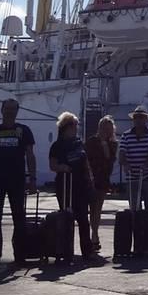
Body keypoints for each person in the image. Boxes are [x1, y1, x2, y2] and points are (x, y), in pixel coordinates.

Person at [0, 98, 36, 267]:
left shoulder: (24, 131)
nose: (10, 111)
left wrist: (32, 179)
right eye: (7, 108)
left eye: (13, 109)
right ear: (1, 110)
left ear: (17, 111)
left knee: (19, 218)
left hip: (17, 179)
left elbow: (30, 156)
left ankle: (20, 254)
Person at [47, 112, 97, 263]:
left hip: (80, 185)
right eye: (74, 125)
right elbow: (52, 165)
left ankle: (87, 252)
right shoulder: (57, 146)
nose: (76, 128)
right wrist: (63, 167)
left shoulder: (78, 143)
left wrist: (90, 179)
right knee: (66, 218)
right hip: (65, 185)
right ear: (66, 127)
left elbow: (85, 162)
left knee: (83, 219)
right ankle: (65, 251)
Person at [119, 107, 148, 253]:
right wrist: (125, 164)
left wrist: (144, 165)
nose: (138, 120)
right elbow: (122, 153)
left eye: (141, 117)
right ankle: (136, 242)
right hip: (132, 178)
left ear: (146, 119)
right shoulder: (126, 136)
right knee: (134, 210)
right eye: (136, 118)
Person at [85, 115, 118, 252]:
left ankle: (95, 235)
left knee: (97, 208)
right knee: (90, 208)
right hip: (90, 178)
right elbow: (86, 157)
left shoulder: (113, 144)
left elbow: (109, 159)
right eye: (104, 128)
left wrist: (104, 143)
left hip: (103, 178)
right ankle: (91, 236)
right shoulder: (91, 141)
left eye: (108, 128)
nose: (106, 131)